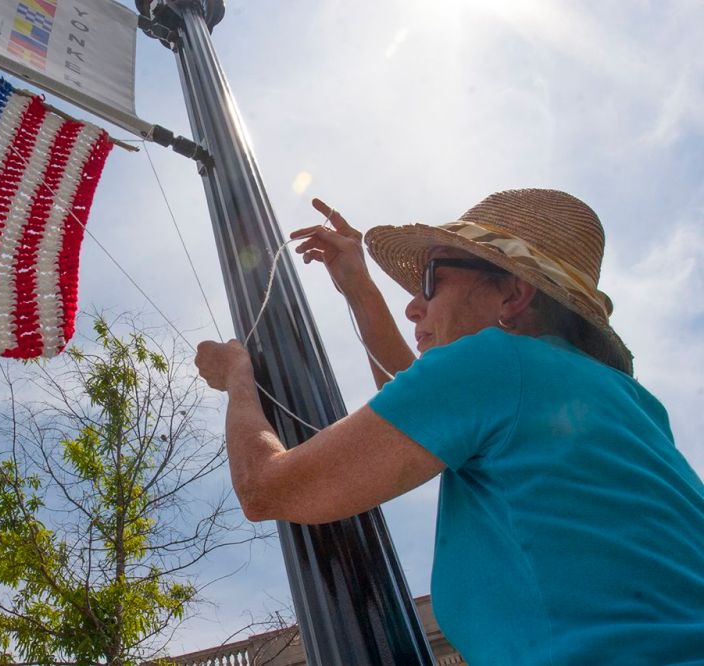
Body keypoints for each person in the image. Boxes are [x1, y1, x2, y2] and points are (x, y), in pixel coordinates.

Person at [194, 189, 704, 665]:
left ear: (512, 295)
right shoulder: (624, 402)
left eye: (432, 279)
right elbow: (422, 394)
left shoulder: (495, 363)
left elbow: (268, 489)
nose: (415, 304)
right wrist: (357, 285)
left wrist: (239, 378)